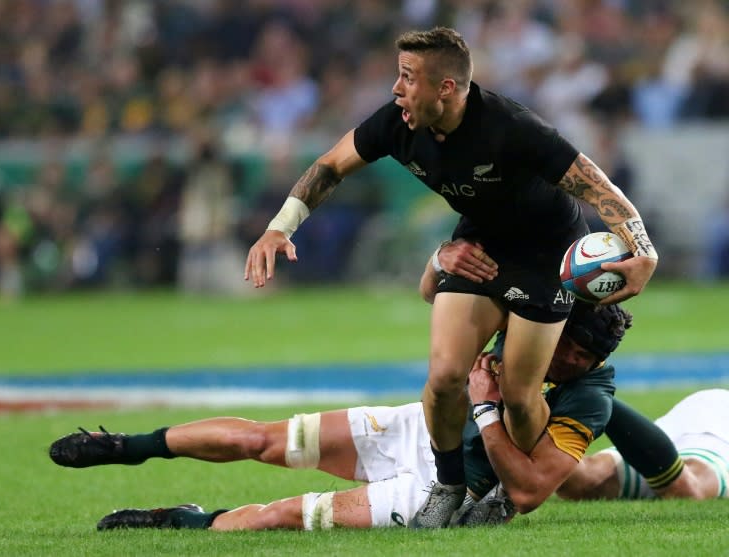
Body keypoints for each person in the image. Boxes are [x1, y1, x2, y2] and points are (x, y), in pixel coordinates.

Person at [243, 26, 658, 527]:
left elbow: (595, 186)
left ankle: (508, 491)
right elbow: (331, 165)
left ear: (446, 88)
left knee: (523, 399)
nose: (397, 89)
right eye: (398, 74)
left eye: (407, 77)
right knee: (442, 380)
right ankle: (448, 484)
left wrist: (644, 251)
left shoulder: (512, 127)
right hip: (477, 245)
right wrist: (277, 229)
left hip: (546, 255)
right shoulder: (396, 123)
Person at [48, 257, 632, 532]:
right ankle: (126, 445)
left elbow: (528, 492)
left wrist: (484, 406)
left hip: (449, 493)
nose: (570, 364)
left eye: (585, 361)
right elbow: (434, 292)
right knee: (263, 439)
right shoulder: (530, 314)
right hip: (419, 428)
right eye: (570, 349)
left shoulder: (591, 397)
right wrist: (437, 259)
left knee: (282, 517)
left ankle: (178, 522)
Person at [558, 389, 729, 502]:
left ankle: (587, 390)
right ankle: (586, 391)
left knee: (578, 482)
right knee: (688, 490)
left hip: (708, 412)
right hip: (716, 419)